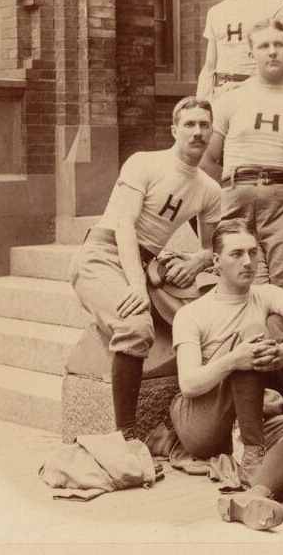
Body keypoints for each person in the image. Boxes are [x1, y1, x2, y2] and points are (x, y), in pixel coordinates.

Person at [69, 96, 222, 439]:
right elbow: (124, 224)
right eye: (189, 124)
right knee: (136, 326)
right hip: (103, 254)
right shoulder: (145, 163)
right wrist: (137, 286)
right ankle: (125, 435)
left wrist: (196, 260)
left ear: (212, 132)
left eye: (204, 125)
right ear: (174, 130)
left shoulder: (209, 189)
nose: (197, 132)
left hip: (147, 264)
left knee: (217, 308)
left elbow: (211, 248)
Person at [170, 219, 283, 531]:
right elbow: (188, 384)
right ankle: (255, 456)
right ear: (216, 262)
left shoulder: (266, 293)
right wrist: (233, 359)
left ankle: (255, 493)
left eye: (253, 253)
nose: (247, 262)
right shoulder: (191, 314)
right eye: (236, 254)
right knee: (254, 334)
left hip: (248, 417)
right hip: (202, 422)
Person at [200, 18, 283, 300]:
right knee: (240, 283)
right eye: (264, 46)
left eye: (279, 45)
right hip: (235, 200)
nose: (273, 51)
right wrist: (232, 188)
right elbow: (207, 160)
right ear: (251, 53)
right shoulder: (230, 100)